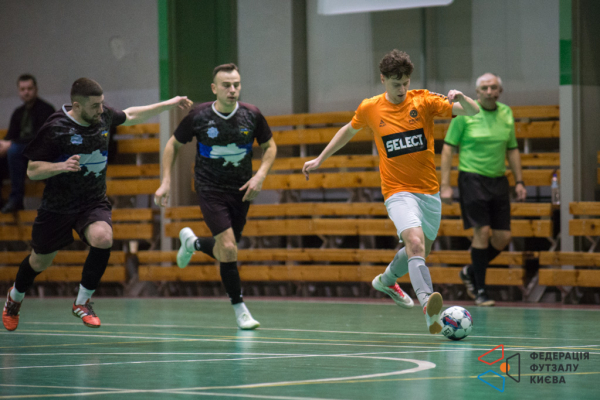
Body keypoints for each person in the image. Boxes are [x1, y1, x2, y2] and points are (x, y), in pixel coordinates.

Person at [302, 50, 479, 334]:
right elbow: (348, 130)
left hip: (429, 193)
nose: (401, 89)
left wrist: (462, 98)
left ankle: (386, 281)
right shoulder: (370, 108)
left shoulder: (423, 101)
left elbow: (473, 111)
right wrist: (320, 159)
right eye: (396, 84)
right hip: (397, 192)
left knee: (420, 250)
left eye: (405, 83)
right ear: (383, 79)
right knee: (415, 243)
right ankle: (428, 306)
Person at [2, 78, 192, 331]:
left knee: (103, 238)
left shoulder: (102, 116)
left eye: (102, 104)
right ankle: (15, 298)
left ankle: (82, 302)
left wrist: (170, 103)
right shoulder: (56, 127)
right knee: (39, 262)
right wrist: (61, 166)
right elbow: (32, 170)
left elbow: (131, 114)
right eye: (95, 106)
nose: (101, 110)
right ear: (77, 106)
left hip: (92, 201)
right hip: (58, 206)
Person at [154, 63, 277, 330]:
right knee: (229, 248)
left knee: (225, 251)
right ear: (214, 88)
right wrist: (166, 181)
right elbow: (172, 144)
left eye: (236, 85)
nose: (232, 90)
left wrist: (260, 176)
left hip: (241, 190)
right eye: (226, 85)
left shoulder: (252, 114)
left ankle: (193, 244)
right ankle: (240, 310)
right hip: (210, 188)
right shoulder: (199, 116)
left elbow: (270, 146)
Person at [440, 73, 526, 307]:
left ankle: (470, 271)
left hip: (498, 180)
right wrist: (445, 185)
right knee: (482, 231)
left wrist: (519, 181)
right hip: (472, 179)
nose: (489, 91)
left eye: (494, 87)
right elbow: (448, 149)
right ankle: (481, 291)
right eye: (485, 88)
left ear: (500, 91)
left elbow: (512, 148)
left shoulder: (506, 113)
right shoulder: (465, 113)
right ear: (477, 92)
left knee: (503, 236)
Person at [0, 74, 55, 213]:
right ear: (19, 91)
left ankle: (16, 199)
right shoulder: (18, 112)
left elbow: (41, 137)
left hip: (39, 152)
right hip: (19, 154)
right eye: (22, 89)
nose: (26, 92)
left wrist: (11, 143)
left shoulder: (46, 109)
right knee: (9, 152)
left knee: (13, 150)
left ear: (36, 89)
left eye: (29, 88)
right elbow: (10, 136)